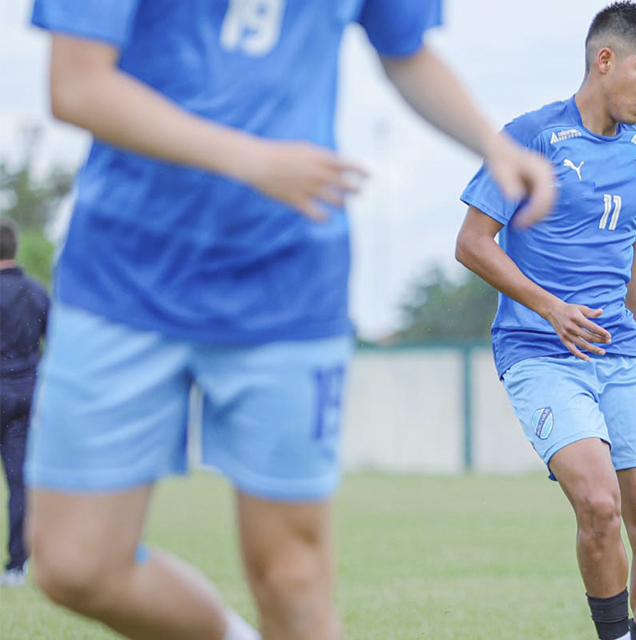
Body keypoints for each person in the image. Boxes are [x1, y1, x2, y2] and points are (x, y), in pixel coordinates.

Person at [26, 1, 555, 639]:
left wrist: (492, 145)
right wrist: (251, 160)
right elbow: (78, 84)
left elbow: (405, 47)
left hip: (286, 281)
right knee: (74, 565)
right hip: (122, 276)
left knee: (291, 577)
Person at [455, 3, 636, 638]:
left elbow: (630, 247)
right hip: (539, 350)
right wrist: (551, 308)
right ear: (604, 60)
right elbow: (472, 243)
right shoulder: (529, 136)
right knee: (599, 504)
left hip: (622, 356)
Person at [0, 219, 49, 588]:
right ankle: (17, 566)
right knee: (20, 484)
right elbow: (60, 345)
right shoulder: (35, 292)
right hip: (25, 396)